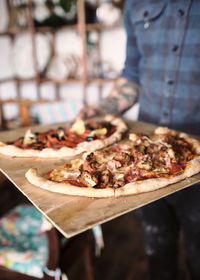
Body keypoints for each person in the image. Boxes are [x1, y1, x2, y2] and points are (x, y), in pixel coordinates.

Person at [77, 1, 200, 279]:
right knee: (158, 253)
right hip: (144, 158)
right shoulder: (136, 4)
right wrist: (104, 109)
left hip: (198, 156)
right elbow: (132, 74)